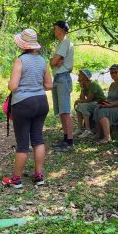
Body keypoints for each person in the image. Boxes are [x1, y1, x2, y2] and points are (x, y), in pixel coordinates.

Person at [2, 29, 52, 189]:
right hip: (41, 102)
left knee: (23, 143)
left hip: (23, 103)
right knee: (38, 139)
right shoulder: (43, 61)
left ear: (22, 45)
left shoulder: (20, 61)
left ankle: (16, 180)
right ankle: (39, 176)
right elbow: (49, 85)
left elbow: (13, 86)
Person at [50, 20, 75, 152]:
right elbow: (52, 62)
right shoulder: (61, 43)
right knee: (61, 111)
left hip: (63, 76)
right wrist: (53, 62)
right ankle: (66, 138)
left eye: (55, 29)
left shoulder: (65, 42)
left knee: (65, 110)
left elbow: (53, 61)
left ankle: (70, 141)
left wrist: (54, 62)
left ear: (61, 29)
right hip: (58, 77)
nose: (54, 31)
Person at [93, 64, 118, 144]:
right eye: (111, 73)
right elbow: (110, 98)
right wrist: (104, 103)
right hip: (113, 106)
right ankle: (99, 133)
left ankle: (107, 137)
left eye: (116, 72)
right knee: (97, 108)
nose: (113, 74)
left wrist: (109, 105)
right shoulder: (112, 84)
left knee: (102, 111)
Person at [74, 68, 106, 139]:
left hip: (101, 103)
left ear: (85, 77)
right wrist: (82, 88)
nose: (78, 76)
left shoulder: (93, 84)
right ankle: (79, 128)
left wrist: (77, 101)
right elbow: (82, 99)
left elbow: (89, 99)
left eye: (80, 75)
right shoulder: (84, 85)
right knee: (79, 106)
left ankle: (88, 130)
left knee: (83, 106)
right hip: (93, 103)